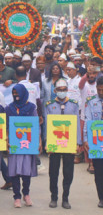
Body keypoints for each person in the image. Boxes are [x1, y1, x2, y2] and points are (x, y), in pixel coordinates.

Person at [45, 78, 81, 209]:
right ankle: (53, 197)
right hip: (54, 142)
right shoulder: (49, 105)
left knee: (68, 172)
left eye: (64, 90)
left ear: (67, 90)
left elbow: (77, 124)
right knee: (53, 172)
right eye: (59, 90)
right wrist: (47, 143)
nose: (61, 92)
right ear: (55, 91)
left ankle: (65, 197)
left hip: (69, 142)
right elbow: (47, 126)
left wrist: (77, 142)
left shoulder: (73, 105)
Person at [5, 84, 41, 208]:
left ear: (23, 93)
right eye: (14, 93)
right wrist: (6, 140)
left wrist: (39, 141)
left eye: (18, 93)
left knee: (26, 171)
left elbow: (36, 125)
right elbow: (6, 126)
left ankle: (26, 194)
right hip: (14, 145)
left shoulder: (31, 108)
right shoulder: (9, 108)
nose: (16, 95)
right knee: (14, 172)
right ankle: (17, 196)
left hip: (27, 145)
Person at [83, 76, 103, 208]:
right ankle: (101, 197)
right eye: (98, 89)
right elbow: (87, 121)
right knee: (99, 172)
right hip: (97, 141)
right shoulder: (91, 102)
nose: (100, 92)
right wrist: (85, 139)